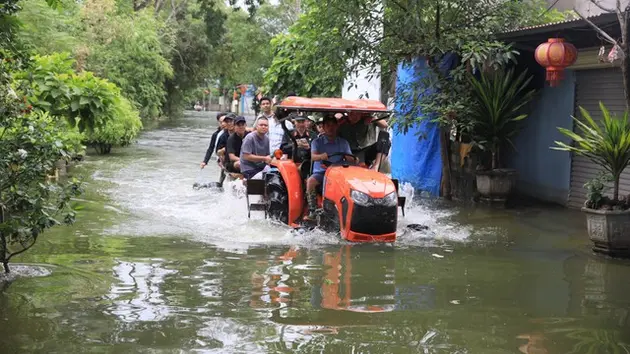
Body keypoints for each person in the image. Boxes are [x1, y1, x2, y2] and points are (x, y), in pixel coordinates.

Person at [305, 115, 355, 220]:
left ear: (337, 127)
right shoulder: (317, 142)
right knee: (310, 182)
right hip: (322, 173)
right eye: (328, 125)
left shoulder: (343, 142)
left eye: (333, 125)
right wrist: (321, 156)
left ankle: (351, 212)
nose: (330, 128)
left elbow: (351, 159)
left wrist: (351, 158)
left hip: (339, 174)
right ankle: (312, 211)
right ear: (323, 127)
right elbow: (314, 157)